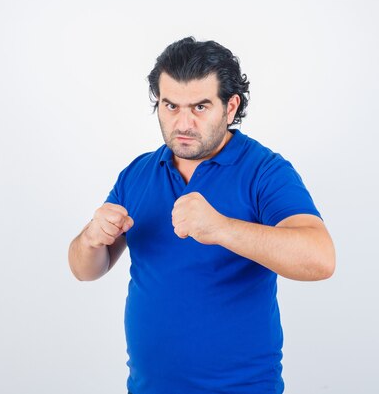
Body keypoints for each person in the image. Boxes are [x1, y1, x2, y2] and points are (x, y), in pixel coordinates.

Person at [68, 36, 335, 394]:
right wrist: (89, 238)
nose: (183, 122)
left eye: (199, 107)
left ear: (230, 106)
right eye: (171, 106)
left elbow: (321, 259)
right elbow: (86, 270)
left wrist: (222, 228)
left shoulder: (264, 170)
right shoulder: (138, 173)